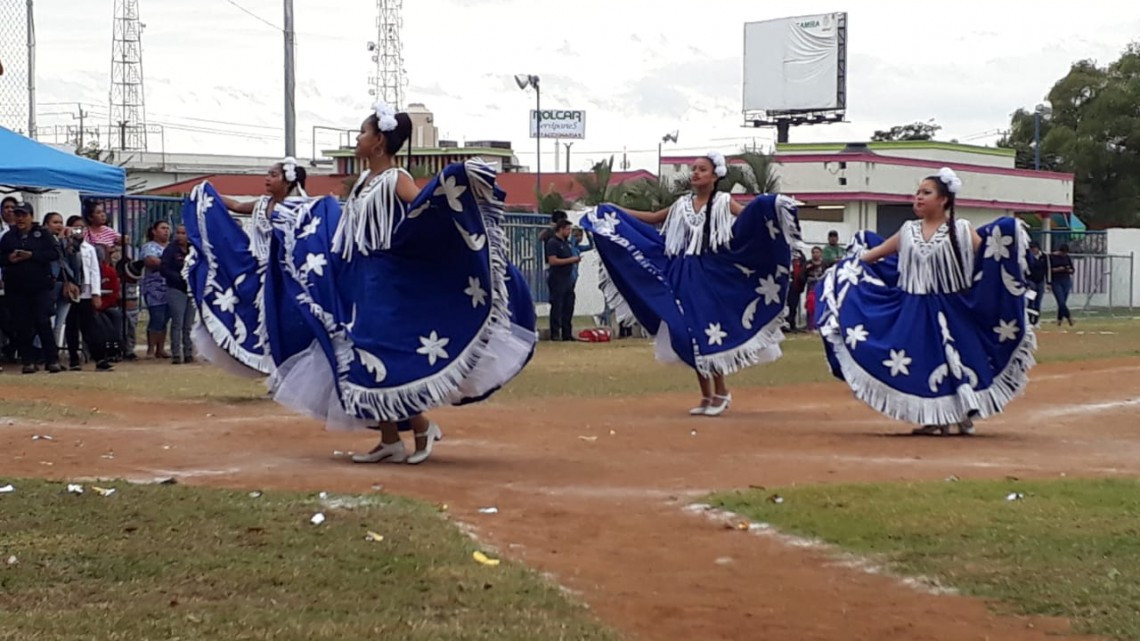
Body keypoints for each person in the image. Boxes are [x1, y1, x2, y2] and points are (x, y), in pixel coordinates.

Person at [183, 102, 537, 466]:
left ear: (379, 141)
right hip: (358, 278)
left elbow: (425, 209)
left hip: (385, 280)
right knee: (360, 356)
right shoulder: (363, 183)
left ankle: (421, 427)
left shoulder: (395, 178)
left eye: (363, 133)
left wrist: (456, 183)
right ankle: (390, 440)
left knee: (382, 354)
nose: (357, 138)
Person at [814, 167, 1035, 436]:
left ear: (943, 200)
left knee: (959, 361)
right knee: (923, 362)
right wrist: (838, 271)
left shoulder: (962, 230)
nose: (918, 197)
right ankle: (934, 417)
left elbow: (989, 261)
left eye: (926, 193)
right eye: (917, 192)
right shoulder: (908, 231)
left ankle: (963, 413)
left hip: (954, 308)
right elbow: (873, 255)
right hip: (914, 309)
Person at [582, 150, 801, 416]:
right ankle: (707, 395)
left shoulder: (723, 202)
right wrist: (615, 211)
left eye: (702, 169)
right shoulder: (681, 204)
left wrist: (769, 206)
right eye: (694, 169)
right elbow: (653, 219)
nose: (695, 173)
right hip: (682, 272)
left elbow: (748, 220)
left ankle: (721, 391)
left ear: (715, 175)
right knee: (686, 331)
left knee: (707, 329)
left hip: (711, 273)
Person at [0, 203, 62, 374]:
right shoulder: (8, 236)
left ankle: (52, 359)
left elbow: (54, 254)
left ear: (31, 216)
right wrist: (9, 258)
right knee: (22, 325)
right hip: (16, 287)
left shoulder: (42, 234)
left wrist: (32, 256)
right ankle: (28, 361)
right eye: (17, 214)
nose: (20, 218)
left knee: (42, 322)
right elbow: (1, 257)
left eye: (23, 215)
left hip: (39, 287)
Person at [63, 216, 113, 372]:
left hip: (85, 292)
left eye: (82, 228)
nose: (79, 231)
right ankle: (73, 359)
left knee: (90, 326)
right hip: (70, 293)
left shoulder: (88, 248)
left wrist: (96, 293)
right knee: (71, 326)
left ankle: (99, 358)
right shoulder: (64, 247)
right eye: (75, 228)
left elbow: (94, 272)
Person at [161, 225, 195, 364]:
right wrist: (181, 277)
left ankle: (188, 352)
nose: (180, 236)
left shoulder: (194, 249)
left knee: (189, 323)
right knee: (177, 322)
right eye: (178, 233)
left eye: (184, 233)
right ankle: (176, 353)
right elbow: (164, 269)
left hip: (192, 289)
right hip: (176, 288)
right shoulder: (170, 250)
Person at [139, 221, 171, 359]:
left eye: (168, 228)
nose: (166, 231)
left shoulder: (171, 247)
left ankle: (161, 349)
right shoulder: (149, 246)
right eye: (163, 228)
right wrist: (172, 263)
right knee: (156, 317)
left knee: (165, 319)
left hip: (170, 287)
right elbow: (151, 261)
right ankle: (151, 349)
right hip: (154, 289)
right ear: (154, 231)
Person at [545, 219, 579, 341]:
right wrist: (571, 260)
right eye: (567, 229)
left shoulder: (566, 244)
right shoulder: (553, 243)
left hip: (567, 279)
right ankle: (555, 333)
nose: (569, 232)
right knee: (557, 306)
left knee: (568, 306)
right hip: (557, 279)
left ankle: (567, 333)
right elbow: (552, 261)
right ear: (561, 229)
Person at [1049, 243, 1075, 326]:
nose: (1064, 255)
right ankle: (1069, 317)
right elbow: (1049, 269)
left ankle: (1059, 319)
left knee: (1063, 301)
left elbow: (1072, 269)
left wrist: (1069, 270)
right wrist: (1058, 269)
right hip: (1056, 280)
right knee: (1061, 301)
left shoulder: (1067, 257)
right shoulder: (1051, 257)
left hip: (1066, 280)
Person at [802, 246, 826, 331]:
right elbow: (803, 275)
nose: (815, 254)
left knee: (821, 305)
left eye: (817, 252)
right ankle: (810, 326)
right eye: (813, 252)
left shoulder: (824, 264)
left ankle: (819, 324)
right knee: (810, 305)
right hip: (811, 286)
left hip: (821, 286)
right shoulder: (808, 264)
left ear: (821, 253)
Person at [1026, 241, 1047, 326]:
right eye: (1031, 249)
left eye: (1034, 248)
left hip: (1040, 281)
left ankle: (1036, 320)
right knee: (1031, 300)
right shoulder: (1028, 257)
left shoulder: (1044, 257)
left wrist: (1048, 282)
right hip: (1031, 281)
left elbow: (1047, 269)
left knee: (1038, 300)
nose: (1033, 250)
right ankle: (1030, 319)